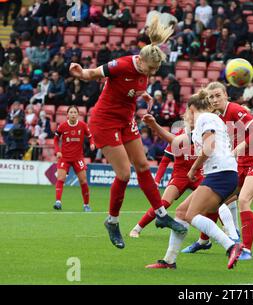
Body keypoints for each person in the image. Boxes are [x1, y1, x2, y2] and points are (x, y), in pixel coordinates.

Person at [69, 16, 187, 250]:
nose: (152, 74)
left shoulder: (146, 68)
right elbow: (93, 74)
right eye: (150, 69)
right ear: (141, 61)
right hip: (104, 122)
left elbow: (132, 86)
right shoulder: (121, 65)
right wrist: (80, 72)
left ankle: (161, 214)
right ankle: (112, 221)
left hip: (125, 120)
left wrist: (141, 95)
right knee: (123, 174)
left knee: (142, 166)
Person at [145, 91, 243, 269]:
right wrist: (154, 126)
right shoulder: (201, 124)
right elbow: (176, 141)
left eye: (186, 112)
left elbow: (209, 147)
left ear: (191, 109)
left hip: (220, 173)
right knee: (182, 212)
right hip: (220, 174)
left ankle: (231, 245)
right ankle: (169, 261)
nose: (185, 116)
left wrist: (193, 167)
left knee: (191, 215)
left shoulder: (206, 118)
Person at [206, 81, 253, 260]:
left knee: (243, 200)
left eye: (218, 95)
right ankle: (211, 239)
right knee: (214, 202)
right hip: (240, 163)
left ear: (226, 95)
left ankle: (246, 250)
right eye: (211, 97)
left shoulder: (234, 109)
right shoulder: (218, 117)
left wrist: (237, 149)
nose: (214, 99)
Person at [129, 111, 203, 238]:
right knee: (163, 203)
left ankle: (214, 236)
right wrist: (156, 181)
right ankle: (137, 228)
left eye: (195, 118)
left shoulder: (203, 135)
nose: (193, 120)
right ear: (184, 118)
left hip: (199, 175)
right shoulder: (177, 137)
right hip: (180, 175)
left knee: (214, 202)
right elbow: (165, 161)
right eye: (190, 117)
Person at [53, 106, 95, 212]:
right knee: (60, 178)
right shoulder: (62, 126)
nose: (73, 114)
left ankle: (86, 205)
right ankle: (58, 202)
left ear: (78, 114)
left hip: (78, 158)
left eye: (75, 112)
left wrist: (92, 144)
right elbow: (56, 139)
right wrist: (57, 151)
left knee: (83, 181)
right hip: (65, 157)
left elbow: (90, 136)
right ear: (67, 114)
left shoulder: (82, 125)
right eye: (71, 112)